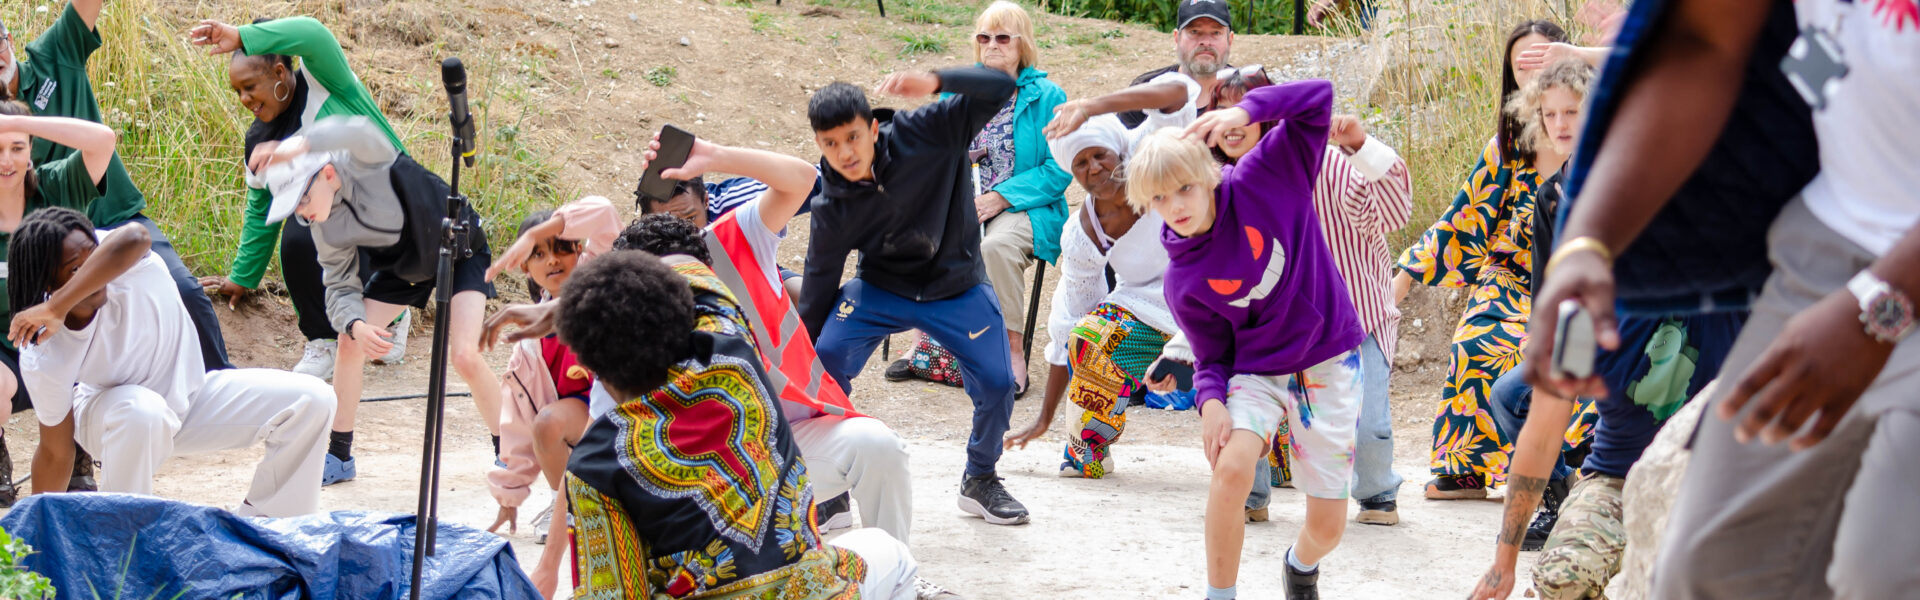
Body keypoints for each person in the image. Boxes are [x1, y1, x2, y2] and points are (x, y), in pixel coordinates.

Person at [1520, 0, 1915, 596]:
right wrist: (1587, 245)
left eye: (1571, 113)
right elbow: (1703, 42)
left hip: (1892, 287)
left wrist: (1876, 311)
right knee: (1708, 567)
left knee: (1881, 567)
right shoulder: (1589, 236)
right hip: (1823, 249)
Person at [1464, 59, 1747, 600]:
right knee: (1561, 578)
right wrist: (1503, 562)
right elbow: (1542, 431)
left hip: (1721, 475)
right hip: (1619, 476)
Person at [545, 250, 947, 600]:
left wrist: (573, 312)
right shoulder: (736, 363)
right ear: (677, 321)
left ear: (588, 366)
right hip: (813, 591)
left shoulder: (594, 462)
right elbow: (695, 273)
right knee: (888, 550)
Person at [620, 133, 914, 543]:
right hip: (712, 465)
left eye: (689, 219)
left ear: (707, 205)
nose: (683, 236)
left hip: (793, 439)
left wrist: (715, 154)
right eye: (668, 225)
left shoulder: (734, 238)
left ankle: (898, 568)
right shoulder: (642, 287)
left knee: (879, 446)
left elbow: (802, 180)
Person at [1133, 78, 1363, 600]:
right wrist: (1211, 402)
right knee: (1232, 467)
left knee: (1327, 528)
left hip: (1329, 357)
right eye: (1160, 197)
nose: (1176, 205)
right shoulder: (1182, 281)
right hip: (1258, 371)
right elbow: (1213, 355)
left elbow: (1319, 98)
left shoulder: (1268, 175)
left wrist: (1246, 111)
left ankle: (1299, 565)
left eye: (1184, 188)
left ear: (1207, 174)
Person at [800, 68, 1031, 525]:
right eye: (830, 143)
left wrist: (936, 80)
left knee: (998, 381)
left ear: (873, 128)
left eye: (852, 137)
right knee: (822, 361)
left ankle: (980, 478)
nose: (845, 153)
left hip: (956, 285)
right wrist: (803, 350)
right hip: (881, 288)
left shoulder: (927, 130)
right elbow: (820, 275)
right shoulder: (832, 203)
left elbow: (1003, 87)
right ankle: (831, 488)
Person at [9, 207, 334, 517]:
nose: (92, 275)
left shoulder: (124, 259)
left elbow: (136, 236)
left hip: (188, 397)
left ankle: (268, 524)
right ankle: (122, 537)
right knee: (141, 410)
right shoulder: (45, 350)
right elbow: (56, 452)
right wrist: (34, 535)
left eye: (93, 258)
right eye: (74, 270)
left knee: (313, 398)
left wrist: (58, 304)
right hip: (111, 415)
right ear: (46, 282)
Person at [1198, 67, 1416, 526]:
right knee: (1243, 415)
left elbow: (1395, 212)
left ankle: (1377, 492)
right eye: (1223, 109)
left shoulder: (1325, 163)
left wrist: (1361, 146)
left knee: (1367, 426)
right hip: (1267, 329)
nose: (1233, 121)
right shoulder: (1212, 187)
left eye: (1244, 108)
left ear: (1269, 114)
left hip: (1351, 316)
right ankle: (1248, 495)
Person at [1394, 19, 1600, 500]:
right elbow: (1462, 218)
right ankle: (1468, 467)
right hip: (1511, 278)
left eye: (1541, 59)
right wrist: (1405, 275)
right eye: (1521, 66)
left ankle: (1578, 462)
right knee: (1477, 342)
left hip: (1578, 288)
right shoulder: (1507, 147)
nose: (1533, 73)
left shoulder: (1601, 145)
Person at [258, 115, 500, 486]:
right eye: (294, 208)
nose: (302, 212)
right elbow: (338, 285)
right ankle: (339, 456)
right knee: (348, 342)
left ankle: (509, 450)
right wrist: (357, 325)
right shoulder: (323, 226)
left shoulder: (368, 162)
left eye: (302, 198)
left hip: (460, 250)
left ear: (328, 174)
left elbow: (356, 129)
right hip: (404, 269)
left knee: (465, 356)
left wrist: (301, 146)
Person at [3, 0, 230, 372]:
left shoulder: (52, 56)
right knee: (73, 325)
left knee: (184, 290)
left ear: (9, 40)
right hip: (54, 247)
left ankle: (219, 382)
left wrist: (19, 123)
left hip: (112, 215)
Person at [189, 16, 415, 380]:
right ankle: (323, 339)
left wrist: (241, 36)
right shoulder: (259, 141)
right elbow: (261, 212)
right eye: (237, 92)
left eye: (250, 87)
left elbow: (313, 33)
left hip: (395, 200)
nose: (245, 100)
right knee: (298, 233)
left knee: (341, 214)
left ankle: (393, 315)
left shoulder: (326, 81)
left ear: (280, 72)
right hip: (338, 217)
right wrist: (242, 277)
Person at [1002, 73, 1200, 479]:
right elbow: (1068, 328)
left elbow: (1178, 92)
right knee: (1090, 337)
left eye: (1100, 155)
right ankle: (1089, 450)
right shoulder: (1083, 233)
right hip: (1151, 314)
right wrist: (1044, 418)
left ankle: (1279, 458)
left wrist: (1091, 106)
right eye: (1081, 163)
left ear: (1119, 151)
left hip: (1215, 298)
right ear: (1072, 174)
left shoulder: (1152, 153)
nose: (1094, 168)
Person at [887, 1, 1070, 396]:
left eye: (1003, 37)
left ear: (1023, 45)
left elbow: (1059, 168)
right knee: (923, 238)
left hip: (1024, 206)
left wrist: (1000, 197)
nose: (992, 45)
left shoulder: (1046, 96)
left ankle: (1011, 353)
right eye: (984, 37)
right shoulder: (957, 92)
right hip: (962, 200)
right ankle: (927, 347)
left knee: (995, 247)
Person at [480, 197, 620, 569]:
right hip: (584, 424)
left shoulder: (601, 279)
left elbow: (605, 213)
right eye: (539, 254)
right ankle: (571, 508)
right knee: (546, 423)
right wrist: (509, 495)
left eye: (562, 249)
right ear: (525, 267)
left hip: (631, 415)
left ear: (581, 250)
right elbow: (518, 420)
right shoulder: (528, 344)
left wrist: (541, 231)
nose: (553, 260)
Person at [0, 103, 121, 504]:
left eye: (17, 147)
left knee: (87, 359)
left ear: (31, 150)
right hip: (7, 348)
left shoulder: (56, 186)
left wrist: (15, 121)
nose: (6, 161)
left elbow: (103, 140)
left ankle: (80, 447)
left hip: (73, 334)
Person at [1116, 0, 1234, 130]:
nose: (1206, 42)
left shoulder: (1245, 92)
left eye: (1216, 33)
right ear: (1177, 38)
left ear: (1230, 40)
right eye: (1194, 31)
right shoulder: (1147, 90)